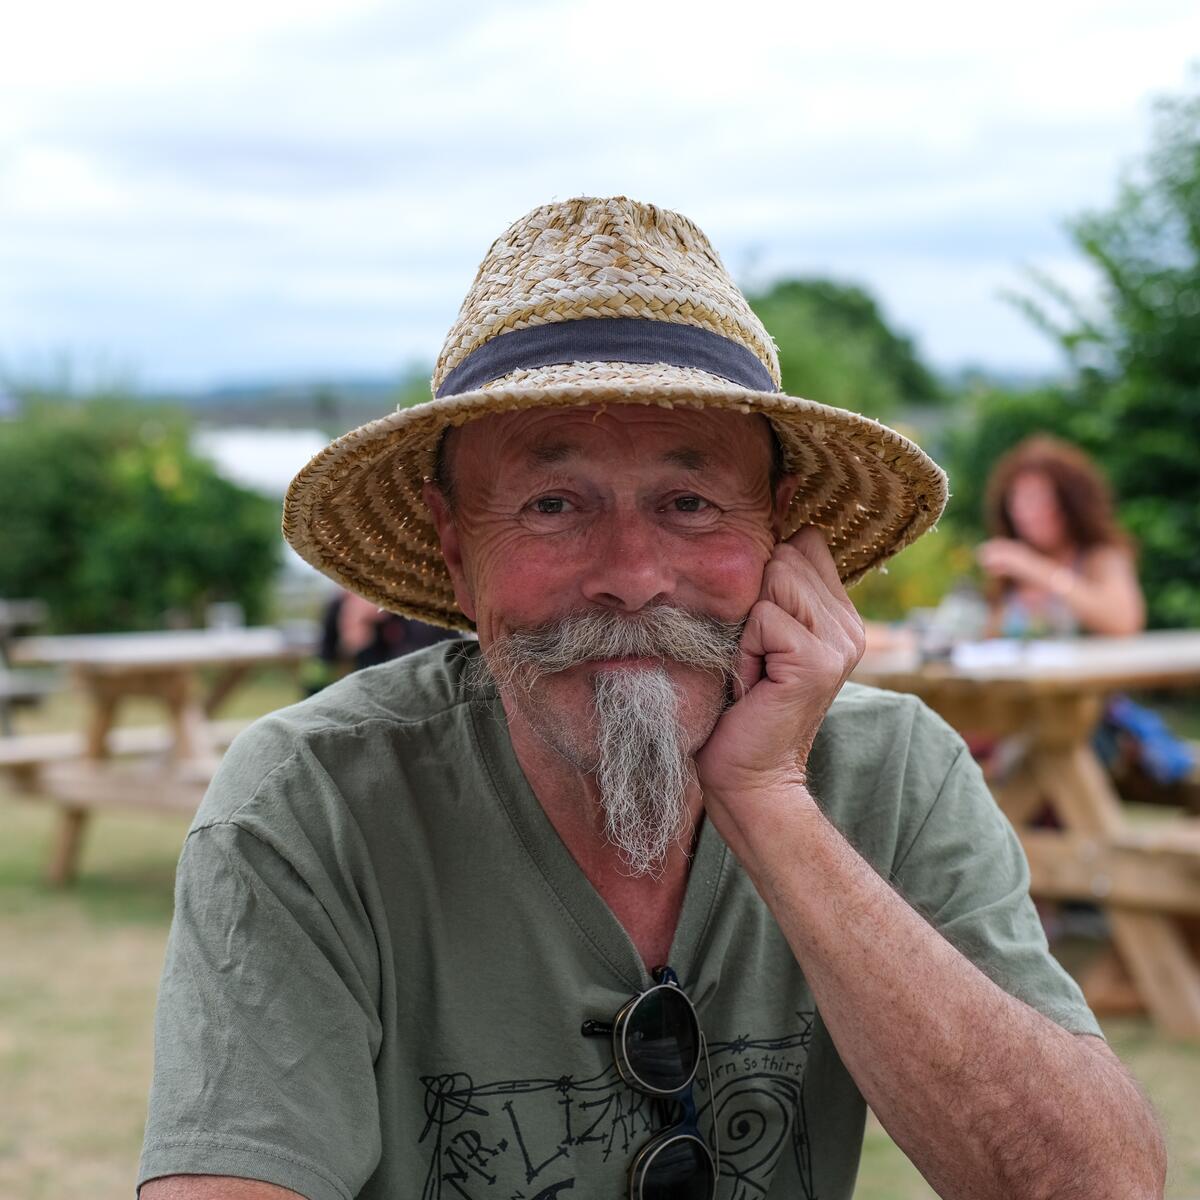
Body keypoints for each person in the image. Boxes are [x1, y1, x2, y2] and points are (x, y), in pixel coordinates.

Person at [138, 197, 1164, 1199]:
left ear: (781, 530)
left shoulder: (894, 772)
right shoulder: (311, 803)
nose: (631, 574)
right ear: (457, 551)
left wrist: (768, 798)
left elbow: (1098, 1186)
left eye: (690, 503)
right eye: (552, 505)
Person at [976, 435, 1144, 638]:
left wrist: (1035, 569)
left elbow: (1124, 623)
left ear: (1069, 504)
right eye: (1019, 502)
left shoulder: (1101, 558)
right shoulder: (1006, 572)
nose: (1029, 513)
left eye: (1040, 500)